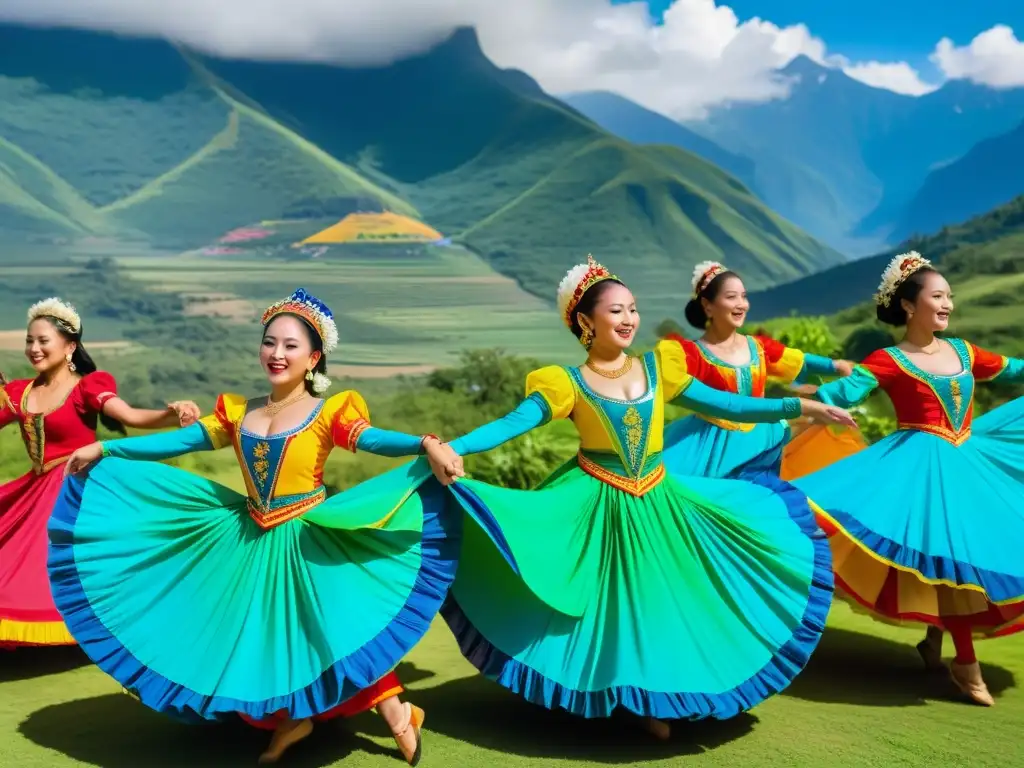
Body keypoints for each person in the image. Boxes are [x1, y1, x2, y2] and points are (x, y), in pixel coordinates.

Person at [429, 255, 856, 738]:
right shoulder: (565, 384)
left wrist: (798, 404)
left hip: (661, 499)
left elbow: (730, 403)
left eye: (632, 308)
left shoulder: (660, 368)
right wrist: (448, 447)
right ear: (586, 322)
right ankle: (636, 700)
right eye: (616, 311)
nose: (629, 319)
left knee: (668, 599)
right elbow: (509, 426)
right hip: (599, 503)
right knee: (614, 608)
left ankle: (668, 694)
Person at [54, 289, 461, 765]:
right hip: (250, 536)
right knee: (258, 633)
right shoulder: (237, 410)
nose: (277, 354)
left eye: (290, 346)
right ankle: (292, 718)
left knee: (331, 627)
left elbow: (374, 440)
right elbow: (177, 442)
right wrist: (107, 450)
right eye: (270, 343)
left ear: (313, 358)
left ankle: (397, 716)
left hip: (309, 535)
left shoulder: (329, 411)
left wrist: (426, 443)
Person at [792, 252, 1024, 706]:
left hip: (967, 461)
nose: (948, 305)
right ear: (908, 306)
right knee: (949, 556)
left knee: (966, 552)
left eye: (949, 297)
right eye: (938, 297)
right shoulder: (890, 359)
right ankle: (966, 663)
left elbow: (1013, 369)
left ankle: (936, 641)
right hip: (918, 468)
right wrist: (802, 406)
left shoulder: (964, 351)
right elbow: (845, 390)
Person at [0, 297, 199, 649]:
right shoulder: (19, 393)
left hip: (80, 486)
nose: (34, 348)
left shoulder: (88, 386)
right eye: (30, 341)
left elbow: (130, 416)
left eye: (43, 341)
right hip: (36, 489)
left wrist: (172, 414)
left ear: (70, 346)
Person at [660, 261, 856, 478]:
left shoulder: (758, 347)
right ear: (708, 305)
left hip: (762, 438)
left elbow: (797, 359)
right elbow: (727, 405)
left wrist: (835, 366)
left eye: (744, 296)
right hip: (711, 449)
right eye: (731, 297)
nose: (741, 304)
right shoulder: (688, 354)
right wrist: (800, 406)